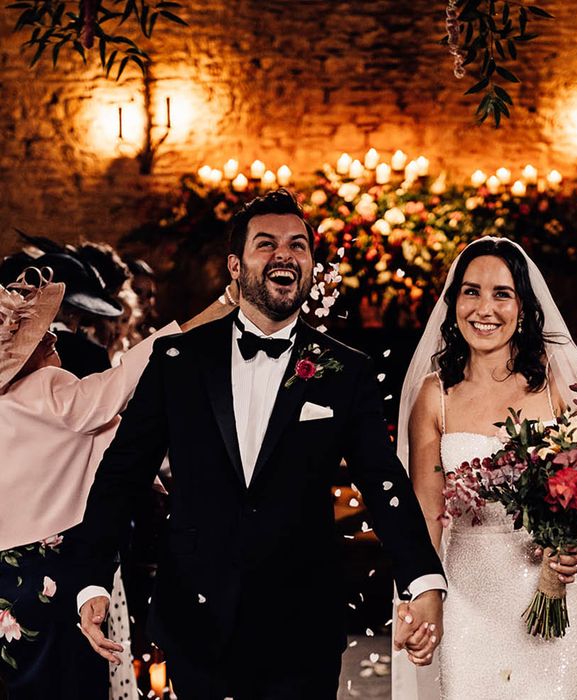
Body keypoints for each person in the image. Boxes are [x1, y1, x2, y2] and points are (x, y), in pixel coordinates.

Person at [72, 189, 446, 699]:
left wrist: (423, 581)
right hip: (196, 617)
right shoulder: (177, 359)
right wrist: (92, 578)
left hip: (303, 623)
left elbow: (383, 482)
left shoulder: (346, 369)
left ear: (311, 265)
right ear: (235, 265)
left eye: (298, 245)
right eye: (266, 243)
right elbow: (121, 474)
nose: (284, 255)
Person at [393, 237, 577, 699]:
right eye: (471, 291)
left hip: (562, 599)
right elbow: (425, 515)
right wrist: (419, 598)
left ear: (523, 306)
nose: (485, 308)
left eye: (502, 293)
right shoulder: (434, 396)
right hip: (469, 602)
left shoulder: (561, 388)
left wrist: (574, 543)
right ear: (453, 302)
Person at [0, 266, 231, 698]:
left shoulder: (11, 405)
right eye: (35, 336)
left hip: (7, 587)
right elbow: (127, 378)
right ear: (18, 358)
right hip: (53, 578)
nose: (51, 337)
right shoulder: (48, 389)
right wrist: (223, 307)